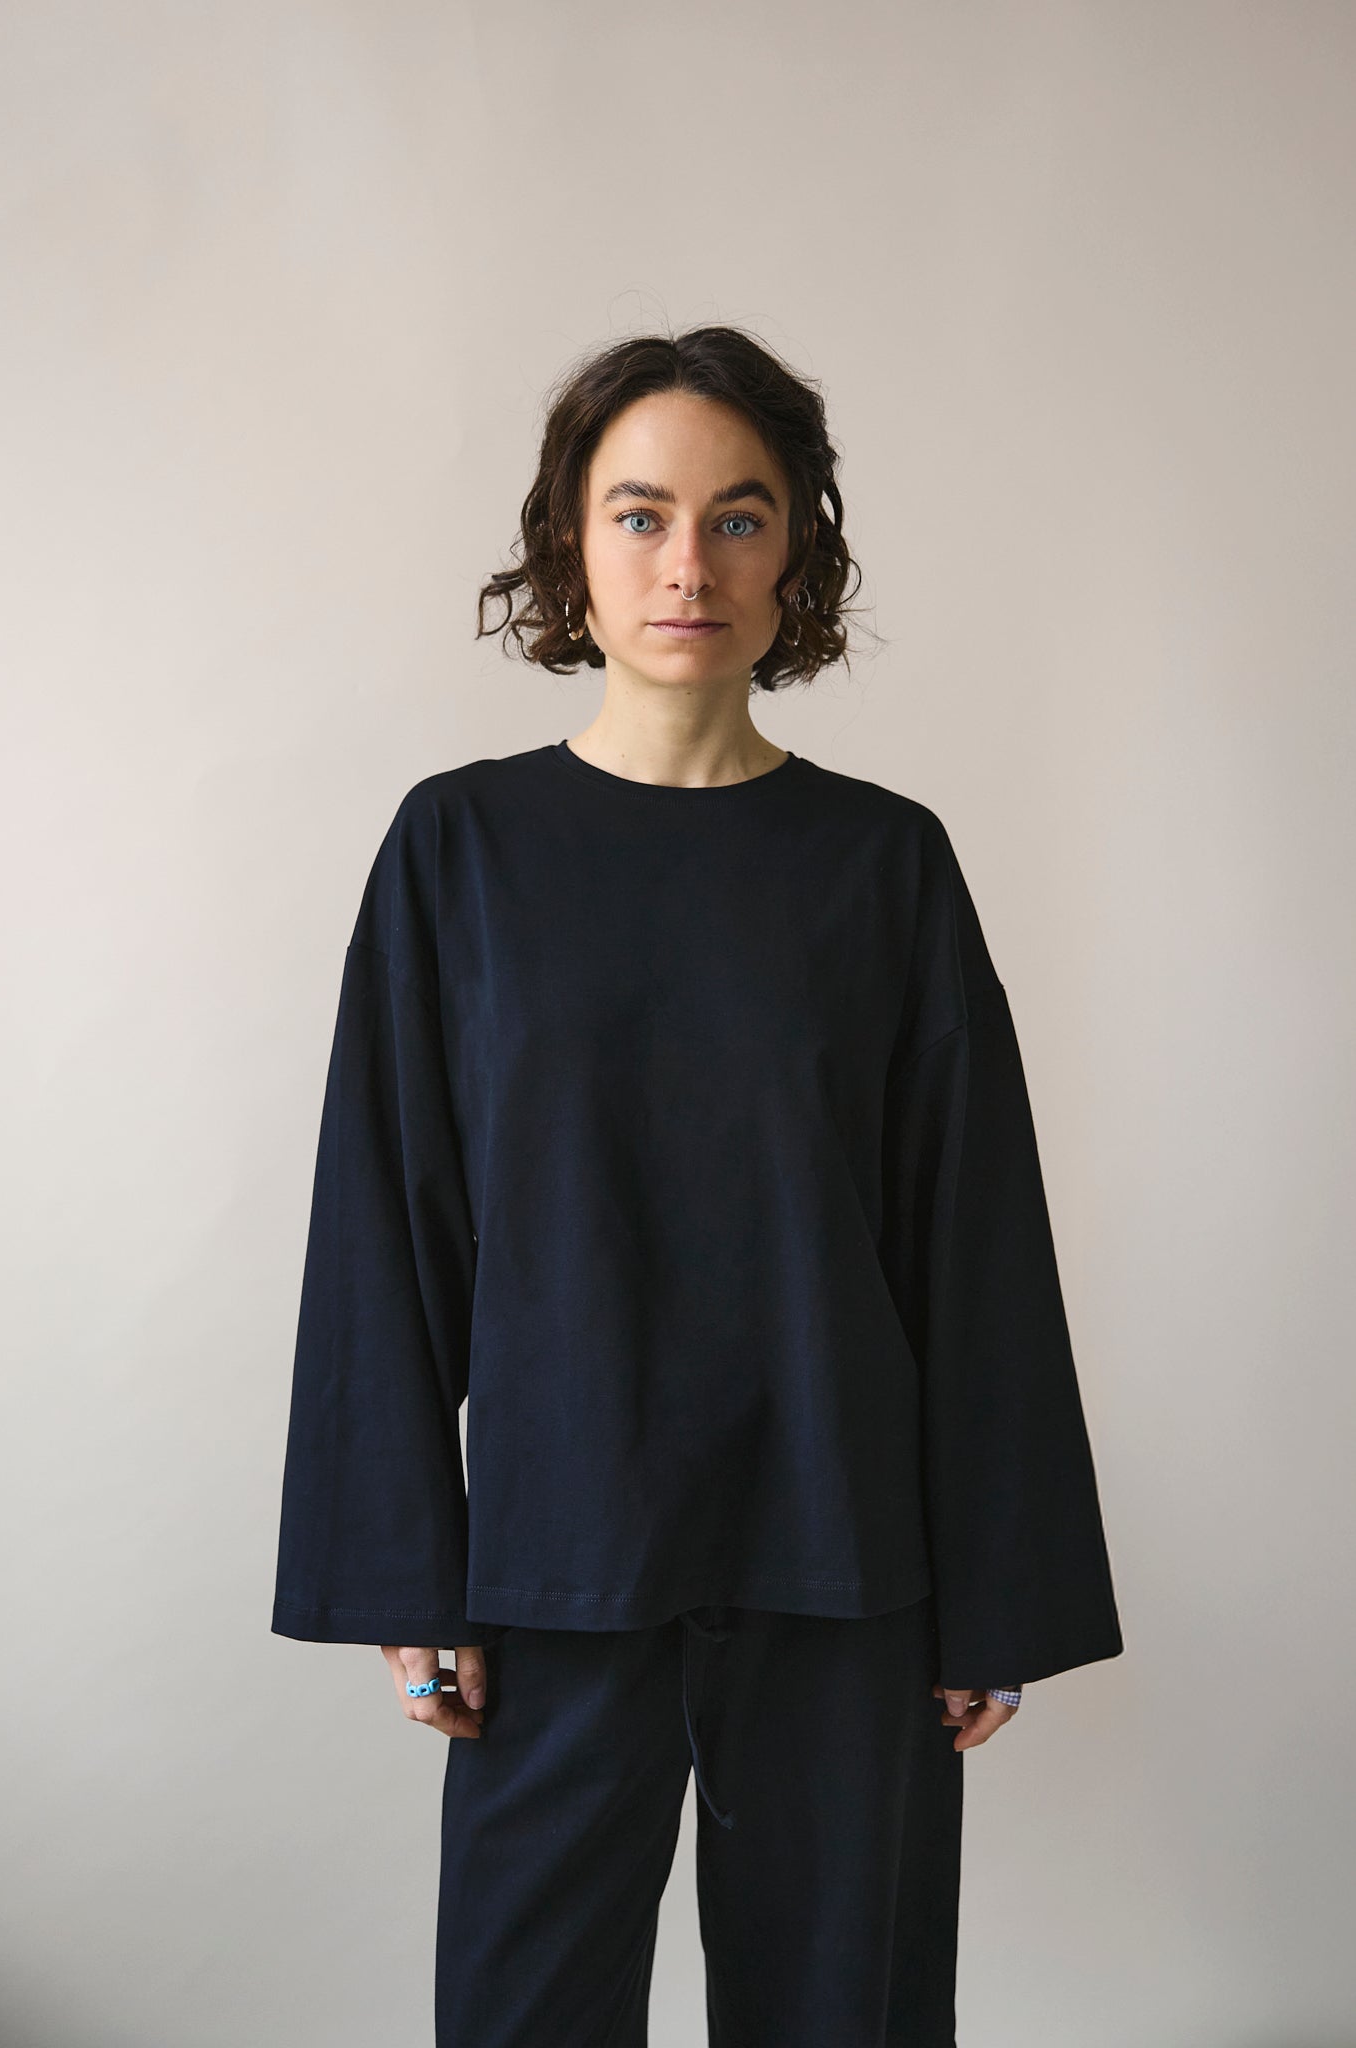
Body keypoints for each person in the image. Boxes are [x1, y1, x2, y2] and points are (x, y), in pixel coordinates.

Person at [271, 325, 1124, 2047]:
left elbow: (970, 1242)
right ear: (567, 546)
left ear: (794, 549)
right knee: (522, 2010)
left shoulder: (884, 863)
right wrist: (405, 1575)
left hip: (843, 1560)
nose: (688, 564)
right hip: (553, 1559)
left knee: (843, 2013)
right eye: (640, 514)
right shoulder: (461, 851)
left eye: (738, 517)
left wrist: (997, 1589)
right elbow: (386, 1217)